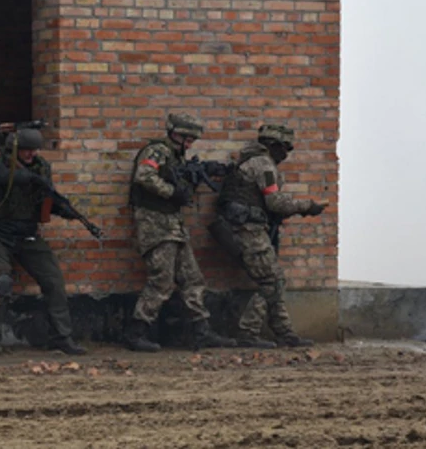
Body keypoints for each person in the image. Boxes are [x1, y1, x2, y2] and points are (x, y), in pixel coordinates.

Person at [123, 113, 236, 352]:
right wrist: (171, 192)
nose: (190, 144)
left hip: (173, 225)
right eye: (188, 138)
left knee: (193, 279)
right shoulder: (157, 151)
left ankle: (202, 332)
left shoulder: (175, 156)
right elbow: (144, 176)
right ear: (176, 134)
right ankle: (137, 332)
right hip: (155, 225)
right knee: (162, 281)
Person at [209, 124, 327, 348]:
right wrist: (307, 206)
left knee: (275, 280)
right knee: (272, 282)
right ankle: (249, 332)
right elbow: (275, 202)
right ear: (274, 146)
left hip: (247, 228)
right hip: (248, 230)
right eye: (285, 149)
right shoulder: (263, 164)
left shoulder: (251, 161)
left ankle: (284, 332)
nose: (286, 154)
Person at [0, 128, 87, 356]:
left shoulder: (41, 167)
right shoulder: (0, 162)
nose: (30, 154)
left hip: (27, 234)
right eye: (26, 150)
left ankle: (61, 337)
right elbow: (1, 178)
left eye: (34, 150)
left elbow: (44, 199)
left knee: (54, 280)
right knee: (2, 282)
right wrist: (31, 178)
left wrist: (63, 209)